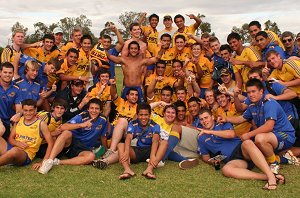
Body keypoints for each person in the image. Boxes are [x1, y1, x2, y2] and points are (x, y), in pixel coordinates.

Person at [218, 79, 296, 172]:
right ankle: (282, 159)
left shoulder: (269, 103)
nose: (251, 95)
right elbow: (241, 118)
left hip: (285, 135)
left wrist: (249, 135)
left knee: (259, 138)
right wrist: (226, 119)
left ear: (261, 91)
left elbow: (269, 126)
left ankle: (274, 164)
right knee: (254, 149)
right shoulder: (252, 105)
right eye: (249, 92)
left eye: (253, 91)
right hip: (272, 137)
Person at [197, 108, 284, 190]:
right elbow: (205, 156)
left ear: (212, 117)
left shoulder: (222, 124)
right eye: (201, 119)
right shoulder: (201, 137)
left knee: (247, 142)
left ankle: (271, 177)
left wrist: (210, 131)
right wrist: (213, 161)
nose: (204, 121)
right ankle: (267, 177)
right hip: (233, 159)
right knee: (226, 170)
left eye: (206, 117)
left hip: (243, 149)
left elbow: (231, 134)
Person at [38, 98, 109, 174]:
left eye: (97, 109)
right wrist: (81, 125)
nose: (94, 111)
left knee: (91, 156)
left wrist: (106, 149)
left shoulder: (103, 120)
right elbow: (63, 127)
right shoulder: (82, 116)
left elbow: (103, 136)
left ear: (101, 110)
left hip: (83, 148)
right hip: (72, 142)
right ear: (88, 109)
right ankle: (49, 161)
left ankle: (57, 162)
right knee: (66, 133)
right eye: (91, 108)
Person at [0, 99, 53, 168]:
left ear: (35, 110)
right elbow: (10, 139)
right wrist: (17, 143)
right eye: (25, 110)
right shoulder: (19, 120)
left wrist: (43, 162)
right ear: (22, 110)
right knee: (12, 149)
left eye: (31, 110)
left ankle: (7, 159)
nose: (28, 113)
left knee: (15, 151)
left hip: (25, 155)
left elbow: (50, 143)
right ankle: (7, 159)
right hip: (12, 148)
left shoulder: (41, 124)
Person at [117, 103, 163, 180]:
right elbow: (128, 138)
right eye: (141, 115)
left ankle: (149, 170)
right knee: (120, 145)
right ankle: (127, 170)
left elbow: (155, 140)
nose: (143, 117)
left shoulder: (155, 125)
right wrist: (126, 152)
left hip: (150, 150)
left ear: (150, 115)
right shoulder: (133, 124)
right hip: (137, 151)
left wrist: (152, 156)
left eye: (146, 115)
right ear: (137, 115)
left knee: (164, 143)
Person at [0, 62, 23, 139]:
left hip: (7, 122)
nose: (7, 75)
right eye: (5, 72)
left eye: (10, 73)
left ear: (13, 74)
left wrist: (18, 114)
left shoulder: (16, 88)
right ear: (0, 73)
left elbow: (19, 109)